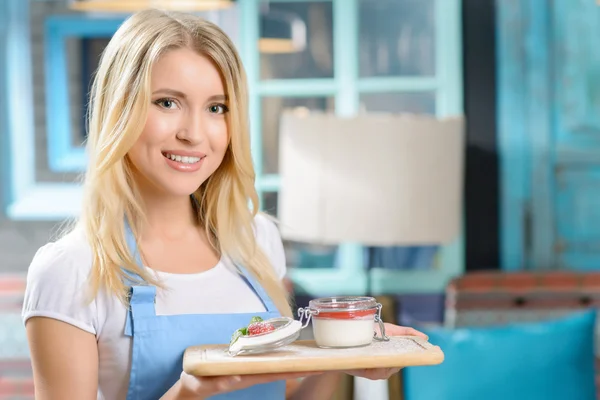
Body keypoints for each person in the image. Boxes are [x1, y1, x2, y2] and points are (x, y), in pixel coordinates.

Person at [21, 8, 427, 400]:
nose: (195, 134)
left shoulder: (256, 241)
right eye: (167, 102)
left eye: (217, 108)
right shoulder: (72, 271)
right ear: (119, 111)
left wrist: (341, 359)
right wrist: (189, 393)